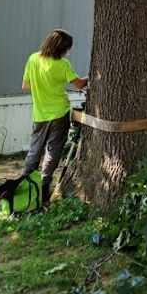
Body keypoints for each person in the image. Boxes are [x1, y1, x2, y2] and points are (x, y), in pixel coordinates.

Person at [21, 29, 88, 202]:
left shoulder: (33, 59)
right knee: (53, 151)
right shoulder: (62, 64)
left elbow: (25, 86)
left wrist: (43, 84)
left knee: (35, 149)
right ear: (62, 48)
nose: (67, 51)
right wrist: (92, 75)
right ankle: (44, 186)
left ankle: (25, 182)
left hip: (40, 114)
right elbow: (80, 84)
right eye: (67, 48)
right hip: (59, 113)